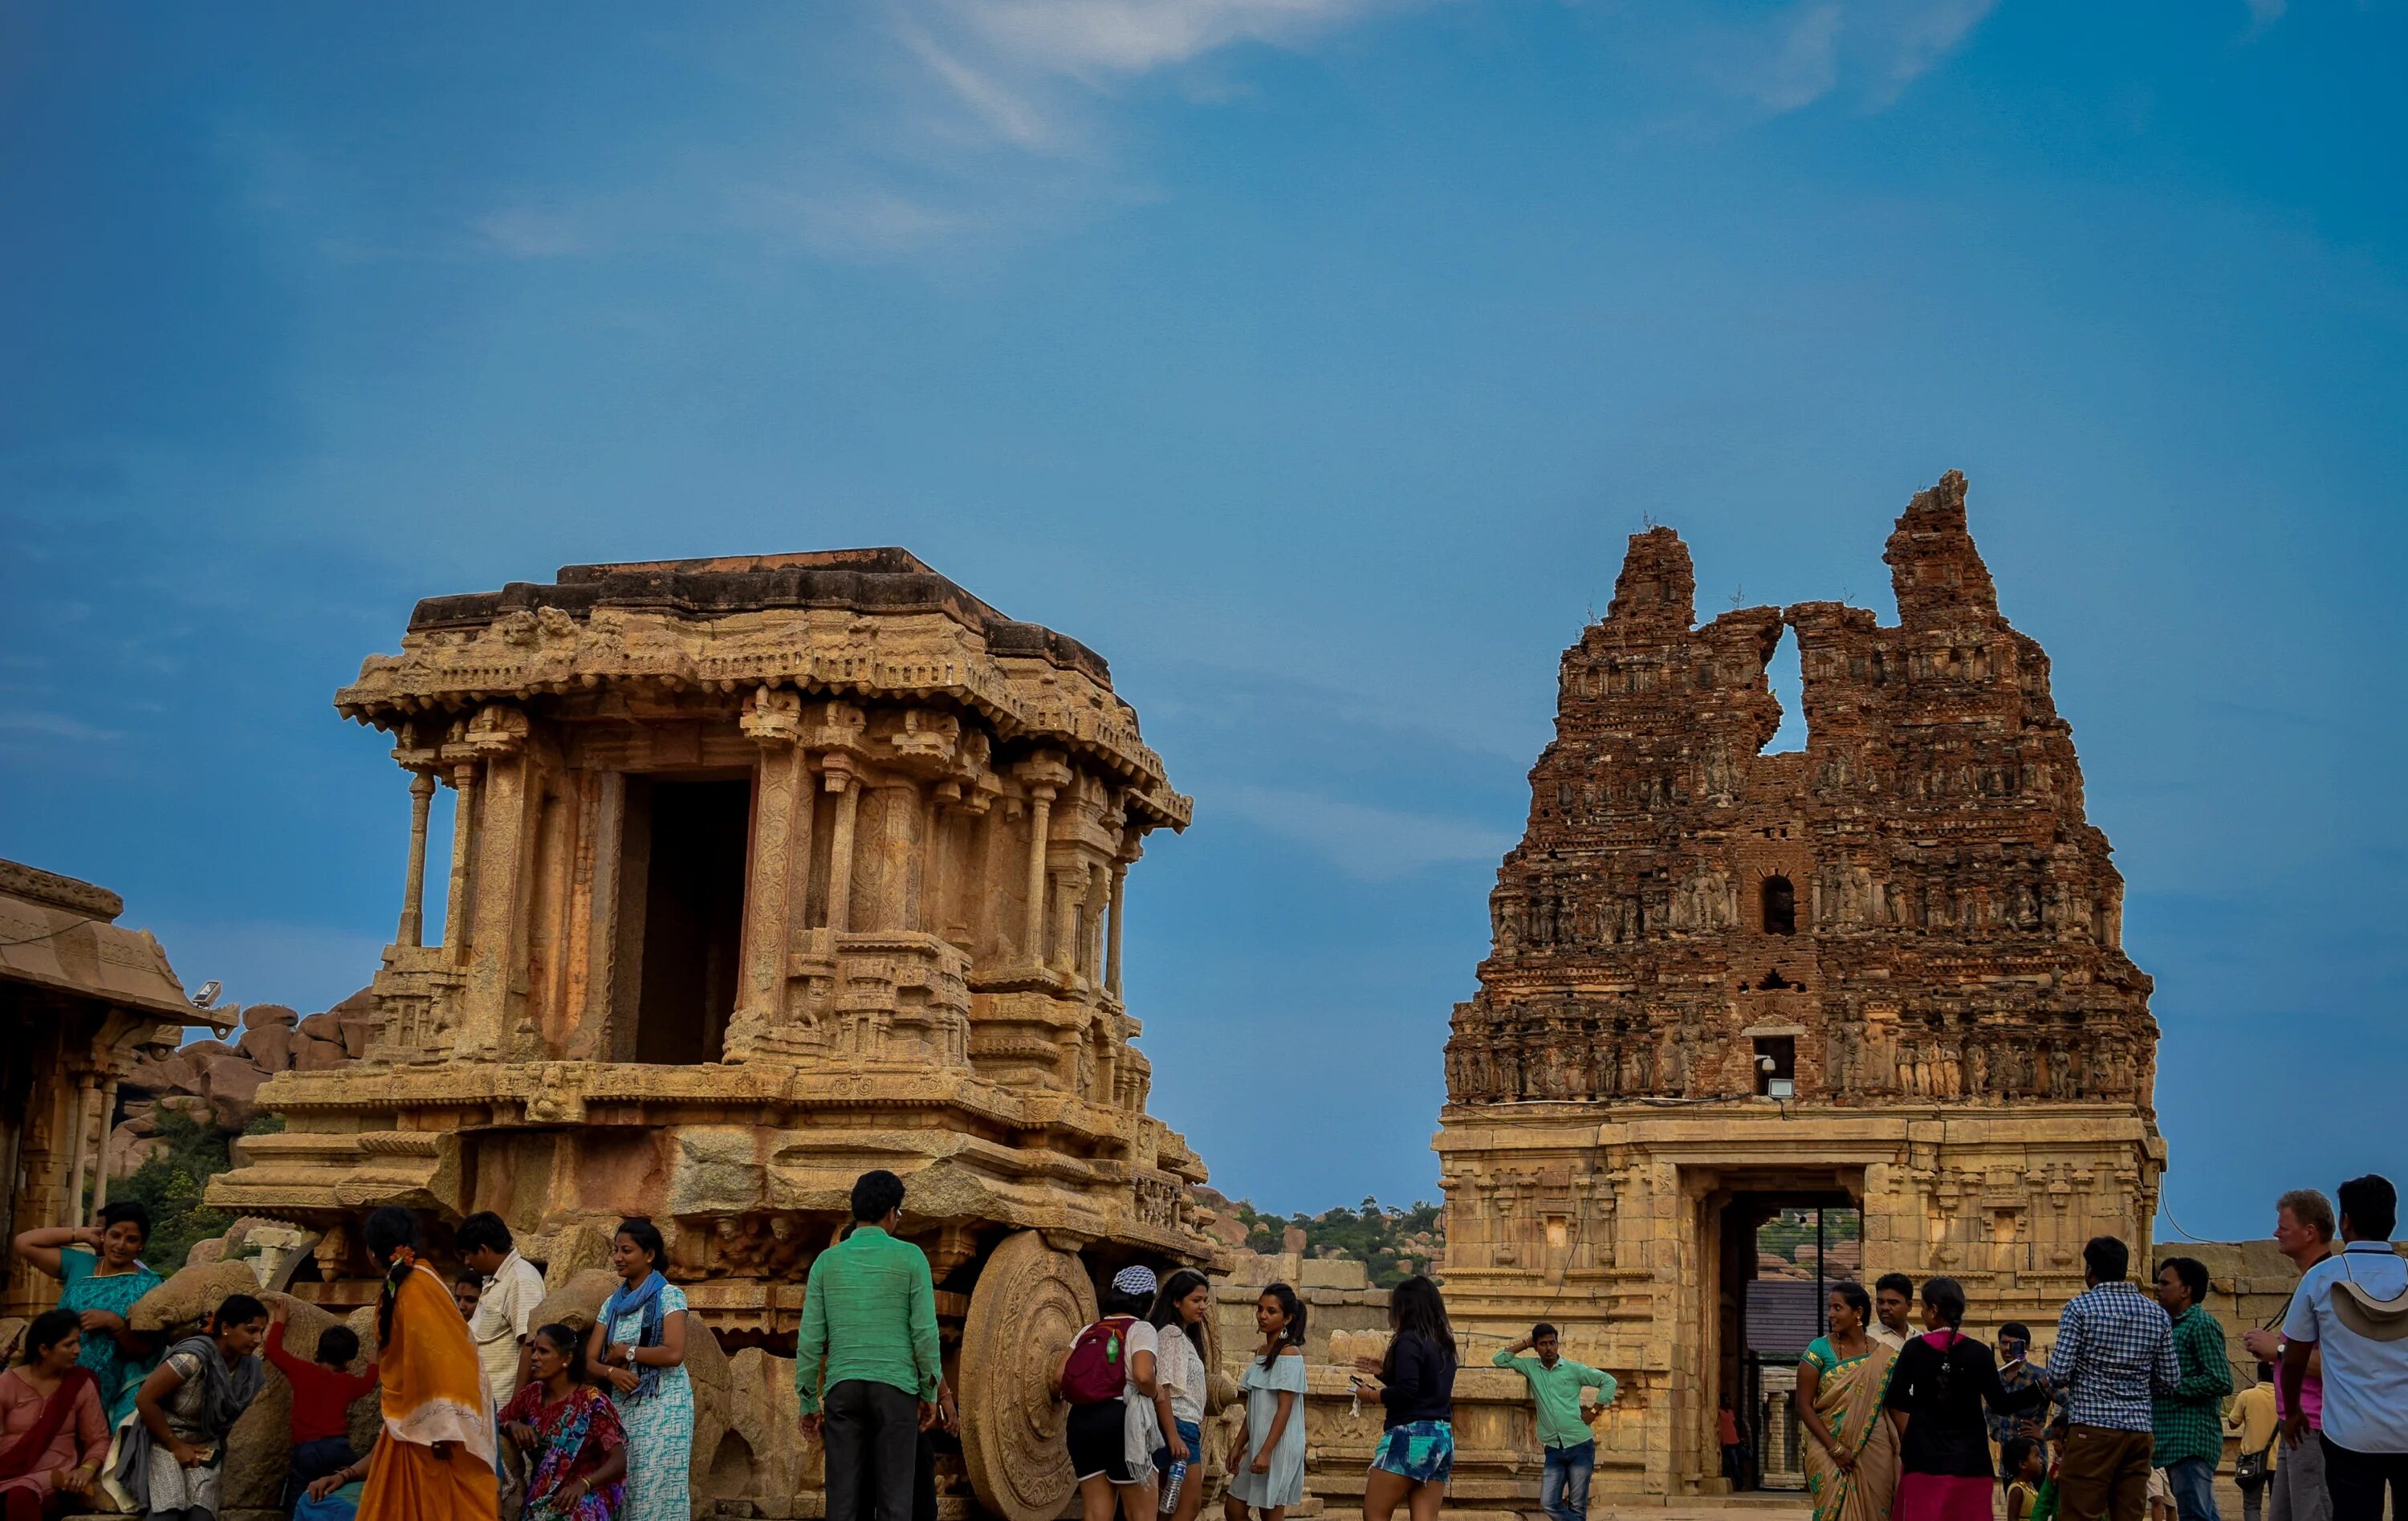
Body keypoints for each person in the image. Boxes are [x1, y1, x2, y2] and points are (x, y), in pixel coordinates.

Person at [303, 1206, 498, 1521]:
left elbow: (435, 1358)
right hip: (420, 1429)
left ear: (371, 1251)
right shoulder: (421, 1281)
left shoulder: (414, 1287)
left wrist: (439, 1429)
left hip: (436, 1435)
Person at [796, 1171, 940, 1521]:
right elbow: (924, 1333)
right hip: (896, 1390)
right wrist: (929, 1392)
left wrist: (806, 1400)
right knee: (895, 1504)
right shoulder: (911, 1258)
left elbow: (811, 1339)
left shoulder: (826, 1262)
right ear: (892, 1212)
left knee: (842, 1504)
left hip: (843, 1389)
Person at [2279, 1174, 2408, 1521]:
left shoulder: (2322, 1278)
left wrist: (2292, 1412)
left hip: (2349, 1436)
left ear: (2346, 1221)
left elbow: (2293, 1360)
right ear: (2393, 1220)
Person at [1885, 1276, 2051, 1521]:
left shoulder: (1914, 1349)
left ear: (1933, 1310)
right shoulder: (1979, 1352)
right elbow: (2002, 1404)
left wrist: (1923, 1410)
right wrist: (2040, 1387)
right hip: (1970, 1462)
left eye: (1922, 1306)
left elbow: (1895, 1398)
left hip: (1924, 1459)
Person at [2047, 1236, 2178, 1521]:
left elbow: (2057, 1374)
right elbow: (2169, 1380)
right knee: (2129, 1514)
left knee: (2080, 1513)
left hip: (2091, 1429)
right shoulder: (2157, 1314)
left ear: (2090, 1270)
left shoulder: (2080, 1308)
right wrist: (2137, 1389)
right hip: (2138, 1432)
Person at [112, 1291, 269, 1521]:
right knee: (167, 1513)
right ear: (226, 1327)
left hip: (205, 1445)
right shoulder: (192, 1358)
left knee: (201, 1516)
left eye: (261, 1332)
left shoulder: (249, 1370)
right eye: (251, 1330)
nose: (258, 1340)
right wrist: (175, 1445)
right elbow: (144, 1399)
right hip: (165, 1440)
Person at [10, 1200, 165, 1428]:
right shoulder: (81, 1264)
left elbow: (147, 1350)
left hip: (105, 1391)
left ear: (141, 1246)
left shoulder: (148, 1285)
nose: (121, 1245)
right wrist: (82, 1234)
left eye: (131, 1240)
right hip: (52, 1376)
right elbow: (24, 1242)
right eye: (115, 1235)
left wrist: (116, 1325)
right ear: (104, 1235)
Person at [588, 1218, 691, 1521]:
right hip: (623, 1401)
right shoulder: (612, 1303)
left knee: (657, 1486)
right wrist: (611, 1372)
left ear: (649, 1255)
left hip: (664, 1403)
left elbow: (674, 1353)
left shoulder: (669, 1296)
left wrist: (626, 1353)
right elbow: (591, 1361)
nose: (618, 1257)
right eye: (615, 1250)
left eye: (627, 1250)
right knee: (627, 1485)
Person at [2247, 1190, 2334, 1521]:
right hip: (2295, 1424)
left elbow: (2334, 1365)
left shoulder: (2326, 1283)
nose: (2275, 1233)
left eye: (2283, 1226)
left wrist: (2278, 1350)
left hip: (2313, 1423)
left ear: (2309, 1232)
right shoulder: (2312, 1281)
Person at [1349, 1275, 1457, 1521]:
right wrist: (1387, 1374)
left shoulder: (1409, 1339)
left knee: (1375, 1515)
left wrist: (1370, 1395)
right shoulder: (1444, 1343)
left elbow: (1408, 1392)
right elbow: (1427, 1389)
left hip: (1410, 1437)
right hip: (1441, 1439)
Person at [498, 1324, 628, 1521]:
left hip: (583, 1495)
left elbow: (618, 1460)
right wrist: (511, 1425)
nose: (534, 1357)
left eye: (543, 1351)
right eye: (533, 1351)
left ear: (567, 1359)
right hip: (543, 1495)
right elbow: (493, 1422)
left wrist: (584, 1484)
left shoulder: (592, 1402)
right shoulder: (532, 1395)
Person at [1796, 1280, 1902, 1521]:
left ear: (1858, 1313)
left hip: (1875, 1449)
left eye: (1837, 1308)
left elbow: (1894, 1407)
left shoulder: (1884, 1356)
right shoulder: (1819, 1349)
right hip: (1826, 1448)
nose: (1831, 1314)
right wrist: (1835, 1449)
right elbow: (1803, 1405)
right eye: (1830, 1308)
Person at [1060, 1265, 1157, 1521]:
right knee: (1140, 1514)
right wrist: (1156, 1393)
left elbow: (1058, 1376)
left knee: (1095, 1514)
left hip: (1081, 1422)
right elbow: (1143, 1375)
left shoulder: (1088, 1330)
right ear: (1148, 1300)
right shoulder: (1141, 1329)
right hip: (1121, 1422)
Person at [1491, 1321, 1616, 1521]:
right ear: (1536, 1346)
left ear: (1558, 1344)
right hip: (1553, 1448)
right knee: (1548, 1502)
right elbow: (1500, 1359)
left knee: (1577, 1506)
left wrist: (1594, 1411)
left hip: (1580, 1445)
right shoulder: (1530, 1367)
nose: (1549, 1348)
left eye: (1552, 1343)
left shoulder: (1573, 1370)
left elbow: (1609, 1381)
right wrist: (1525, 1343)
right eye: (1543, 1344)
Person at [262, 1296, 380, 1507]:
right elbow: (369, 1384)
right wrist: (373, 1363)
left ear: (320, 1350)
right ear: (348, 1361)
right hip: (337, 1447)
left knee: (297, 1495)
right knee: (348, 1487)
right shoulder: (348, 1383)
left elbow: (273, 1351)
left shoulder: (302, 1372)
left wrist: (280, 1320)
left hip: (306, 1450)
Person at [0, 1309, 108, 1519]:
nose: (78, 1350)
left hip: (55, 1479)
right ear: (44, 1350)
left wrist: (86, 1469)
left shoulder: (80, 1384)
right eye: (69, 1345)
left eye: (78, 1342)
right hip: (6, 1474)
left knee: (21, 1495)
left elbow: (98, 1439)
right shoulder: (7, 1384)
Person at [2151, 1256, 2231, 1521]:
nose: (2158, 1287)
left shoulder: (2201, 1325)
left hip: (2191, 1439)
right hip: (2173, 1438)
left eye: (2165, 1283)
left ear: (2186, 1290)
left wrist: (2173, 1385)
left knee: (2194, 1515)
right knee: (2203, 1513)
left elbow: (2220, 1380)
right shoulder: (2171, 1327)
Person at [1226, 1283, 1308, 1521]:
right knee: (1234, 1508)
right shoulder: (1262, 1351)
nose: (1262, 1316)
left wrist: (1266, 1452)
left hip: (1278, 1445)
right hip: (1260, 1441)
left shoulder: (1289, 1354)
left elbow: (1284, 1410)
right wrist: (1238, 1445)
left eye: (1271, 1311)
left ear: (1287, 1318)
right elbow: (1255, 1408)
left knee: (1269, 1512)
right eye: (1260, 1309)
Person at [1144, 1269, 1211, 1521]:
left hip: (1185, 1426)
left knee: (1169, 1506)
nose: (1203, 1306)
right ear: (1176, 1301)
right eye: (1196, 1300)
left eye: (1204, 1300)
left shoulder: (1182, 1336)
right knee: (1187, 1507)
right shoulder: (1171, 1335)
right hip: (1178, 1426)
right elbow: (1164, 1388)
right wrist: (1173, 1436)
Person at [459, 1213, 547, 1405]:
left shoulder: (521, 1279)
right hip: (478, 1403)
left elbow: (531, 1343)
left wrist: (515, 1409)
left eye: (468, 1254)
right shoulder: (494, 1278)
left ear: (483, 1249)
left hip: (500, 1406)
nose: (467, 1262)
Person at [1992, 1323, 2052, 1484]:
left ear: (2025, 1347)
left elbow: (2072, 1406)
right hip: (2008, 1466)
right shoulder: (1995, 1378)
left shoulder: (2040, 1377)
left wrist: (2045, 1433)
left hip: (2034, 1467)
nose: (2007, 1348)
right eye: (2004, 1343)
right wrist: (1998, 1433)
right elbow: (1990, 1410)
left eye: (2013, 1343)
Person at [2226, 1366, 2280, 1521]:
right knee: (2278, 1506)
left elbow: (2232, 1423)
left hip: (2252, 1461)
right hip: (2277, 1461)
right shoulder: (2283, 1397)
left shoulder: (2247, 1395)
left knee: (2251, 1506)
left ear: (2258, 1375)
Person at [1872, 1274, 1917, 1353]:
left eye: (1893, 1303)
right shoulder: (1868, 1340)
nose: (1885, 1307)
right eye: (1880, 1302)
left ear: (1909, 1306)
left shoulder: (1919, 1338)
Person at [2003, 1438, 2045, 1521]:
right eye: (2037, 1457)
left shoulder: (2029, 1485)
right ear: (2023, 1464)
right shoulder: (2017, 1490)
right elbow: (2012, 1518)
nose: (2041, 1461)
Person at [1719, 1396, 1749, 1490]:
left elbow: (1734, 1425)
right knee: (1734, 1464)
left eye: (1729, 1400)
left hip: (1736, 1440)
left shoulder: (1730, 1412)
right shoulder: (1719, 1412)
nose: (1728, 1402)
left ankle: (1741, 1482)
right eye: (1727, 1400)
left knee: (1742, 1459)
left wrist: (1741, 1437)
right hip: (1727, 1442)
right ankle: (1740, 1484)